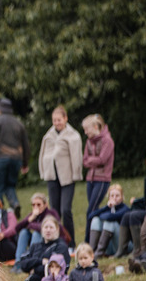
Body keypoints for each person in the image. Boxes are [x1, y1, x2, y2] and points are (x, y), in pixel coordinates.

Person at [38, 105, 83, 246]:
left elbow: (76, 156)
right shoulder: (49, 135)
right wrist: (43, 171)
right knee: (54, 212)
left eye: (59, 120)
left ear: (65, 118)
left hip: (67, 177)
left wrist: (76, 173)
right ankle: (56, 242)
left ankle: (71, 243)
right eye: (54, 120)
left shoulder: (73, 135)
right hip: (52, 176)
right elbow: (43, 154)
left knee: (66, 210)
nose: (57, 123)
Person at [80, 114, 114, 244]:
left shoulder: (107, 141)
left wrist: (91, 160)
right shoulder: (89, 141)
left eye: (86, 129)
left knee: (91, 210)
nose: (85, 132)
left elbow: (102, 159)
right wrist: (93, 161)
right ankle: (97, 237)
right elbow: (84, 161)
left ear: (95, 127)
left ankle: (88, 241)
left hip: (102, 179)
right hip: (91, 179)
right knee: (93, 209)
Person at [12, 193, 65, 264]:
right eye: (33, 205)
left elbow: (42, 228)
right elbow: (17, 228)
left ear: (45, 204)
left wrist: (30, 224)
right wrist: (30, 219)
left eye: (38, 204)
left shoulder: (51, 213)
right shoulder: (33, 215)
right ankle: (18, 262)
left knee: (36, 233)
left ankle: (32, 260)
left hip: (51, 242)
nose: (36, 207)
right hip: (39, 243)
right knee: (24, 232)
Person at [88, 184, 128, 257]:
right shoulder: (108, 208)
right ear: (109, 197)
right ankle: (91, 251)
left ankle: (99, 253)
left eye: (117, 196)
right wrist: (106, 207)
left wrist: (103, 215)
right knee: (95, 220)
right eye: (112, 196)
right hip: (109, 246)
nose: (114, 198)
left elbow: (110, 217)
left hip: (122, 245)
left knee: (110, 222)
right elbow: (90, 216)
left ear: (122, 197)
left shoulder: (125, 209)